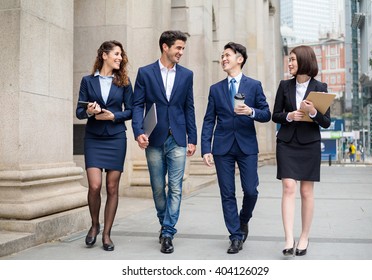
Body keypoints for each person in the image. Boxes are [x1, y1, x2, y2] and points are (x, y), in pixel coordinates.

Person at [201, 42, 271, 254]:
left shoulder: (254, 85)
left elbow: (266, 114)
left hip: (247, 145)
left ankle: (244, 219)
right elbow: (208, 120)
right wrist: (206, 148)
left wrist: (251, 111)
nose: (223, 59)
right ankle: (235, 236)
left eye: (227, 55)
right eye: (222, 56)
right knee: (227, 193)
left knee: (251, 190)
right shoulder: (215, 89)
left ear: (239, 59)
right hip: (222, 147)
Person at [131, 30, 197, 254]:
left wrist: (192, 138)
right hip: (154, 138)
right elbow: (137, 105)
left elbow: (189, 107)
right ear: (165, 47)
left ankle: (168, 232)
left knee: (176, 188)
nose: (181, 52)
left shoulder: (187, 75)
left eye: (183, 49)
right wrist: (138, 131)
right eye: (178, 48)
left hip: (178, 138)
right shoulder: (145, 73)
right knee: (158, 188)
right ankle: (164, 222)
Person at [272, 45, 331, 257]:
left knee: (306, 191)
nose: (289, 63)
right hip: (287, 142)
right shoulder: (284, 85)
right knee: (288, 187)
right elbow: (275, 114)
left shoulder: (320, 87)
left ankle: (304, 236)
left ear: (304, 61)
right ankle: (289, 238)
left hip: (309, 144)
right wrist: (289, 116)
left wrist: (313, 111)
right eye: (289, 59)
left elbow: (326, 122)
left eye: (293, 60)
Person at [76, 40, 132, 251]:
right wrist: (90, 111)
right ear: (104, 55)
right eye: (116, 54)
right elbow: (79, 112)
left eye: (121, 55)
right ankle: (94, 225)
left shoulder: (124, 82)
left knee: (111, 187)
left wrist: (114, 116)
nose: (119, 57)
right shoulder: (87, 81)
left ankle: (107, 234)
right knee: (95, 186)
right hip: (93, 138)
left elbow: (132, 110)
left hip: (116, 138)